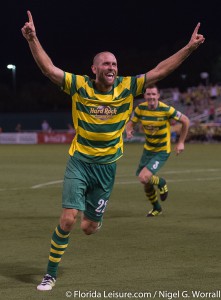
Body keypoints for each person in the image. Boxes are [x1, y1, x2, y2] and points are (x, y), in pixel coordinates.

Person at [21, 10, 204, 291]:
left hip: (107, 168)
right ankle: (50, 273)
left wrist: (189, 48)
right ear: (94, 68)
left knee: (88, 228)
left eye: (115, 64)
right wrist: (33, 39)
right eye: (106, 63)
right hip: (79, 163)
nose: (112, 67)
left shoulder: (127, 87)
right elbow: (49, 70)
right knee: (69, 219)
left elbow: (160, 70)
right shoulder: (79, 86)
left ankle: (95, 218)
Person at [126, 85, 190, 216]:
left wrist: (181, 142)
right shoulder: (140, 109)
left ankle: (162, 183)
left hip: (162, 151)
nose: (151, 97)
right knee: (146, 182)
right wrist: (128, 130)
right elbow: (131, 122)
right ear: (145, 96)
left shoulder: (166, 109)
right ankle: (157, 208)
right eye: (148, 94)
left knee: (144, 177)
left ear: (158, 96)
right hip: (148, 150)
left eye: (153, 94)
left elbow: (185, 120)